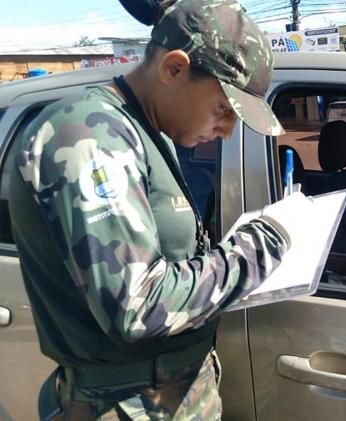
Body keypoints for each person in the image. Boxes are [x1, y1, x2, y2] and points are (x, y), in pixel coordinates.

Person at [8, 0, 305, 418]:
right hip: (123, 403)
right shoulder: (89, 135)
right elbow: (139, 306)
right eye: (223, 109)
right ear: (174, 69)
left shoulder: (150, 132)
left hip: (167, 396)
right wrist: (257, 248)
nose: (227, 130)